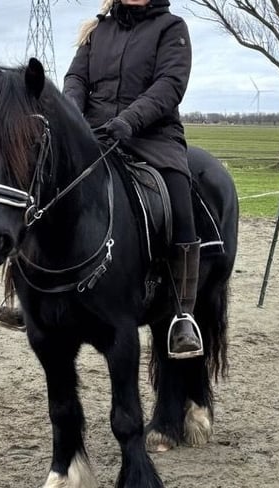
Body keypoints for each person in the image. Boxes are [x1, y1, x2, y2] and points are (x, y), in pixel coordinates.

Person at [63, 0, 202, 359]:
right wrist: (73, 117)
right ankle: (29, 293)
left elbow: (170, 84)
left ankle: (183, 315)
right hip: (93, 133)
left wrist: (129, 120)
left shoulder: (172, 28)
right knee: (48, 185)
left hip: (152, 136)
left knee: (178, 198)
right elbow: (76, 78)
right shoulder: (97, 29)